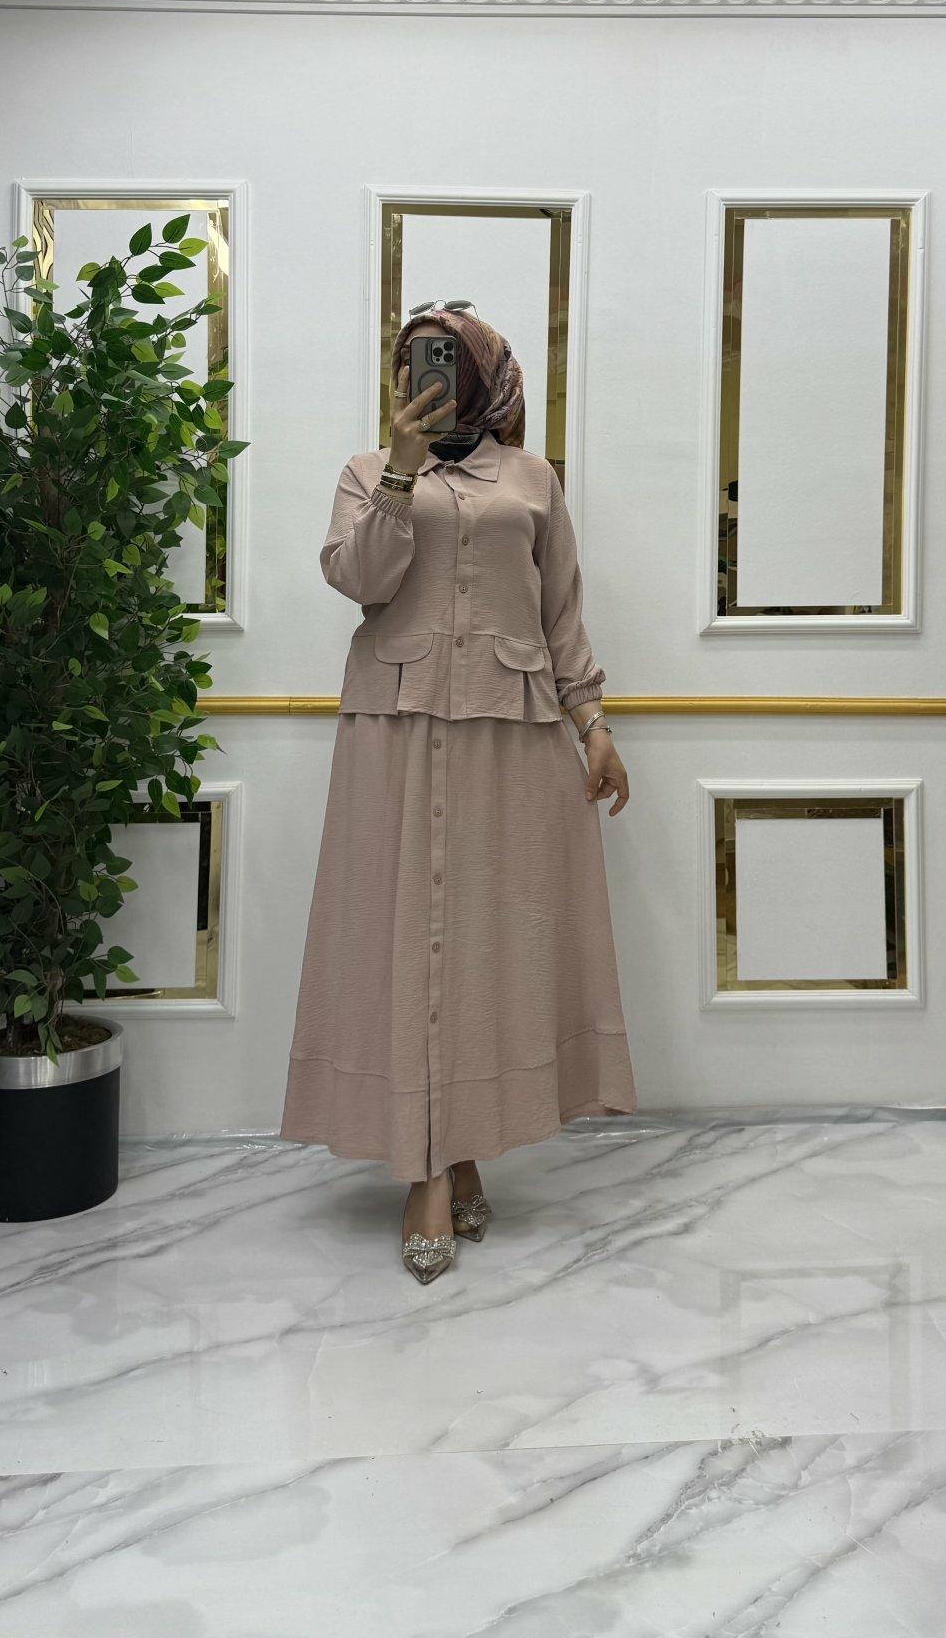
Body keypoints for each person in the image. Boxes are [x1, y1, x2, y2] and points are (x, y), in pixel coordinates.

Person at [280, 301, 636, 1282]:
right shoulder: (367, 471)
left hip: (510, 732)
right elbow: (361, 580)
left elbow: (560, 610)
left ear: (481, 372)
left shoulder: (533, 478)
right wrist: (400, 472)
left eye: (440, 360)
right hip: (393, 733)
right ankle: (428, 1169)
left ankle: (463, 1142)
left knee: (484, 955)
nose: (423, 375)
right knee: (405, 944)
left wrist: (593, 724)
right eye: (409, 361)